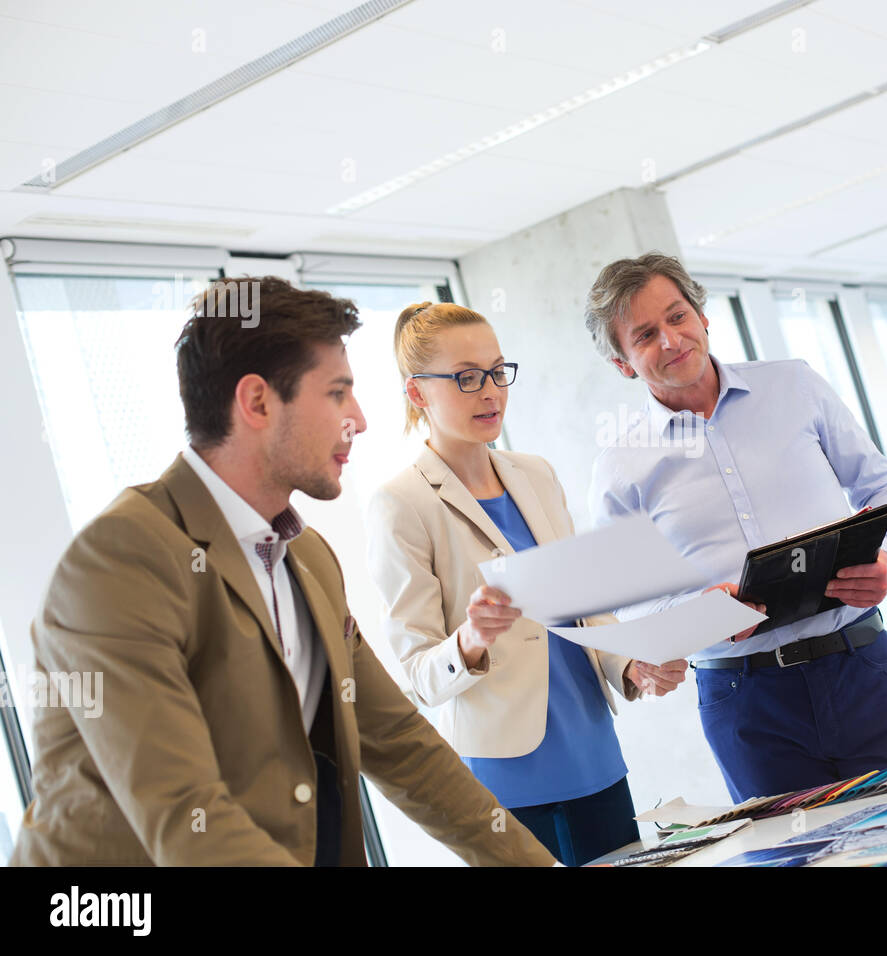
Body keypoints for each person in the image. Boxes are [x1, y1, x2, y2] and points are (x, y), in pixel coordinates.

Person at [9, 277, 553, 866]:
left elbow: (404, 749)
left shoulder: (308, 558)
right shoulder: (121, 562)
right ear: (258, 402)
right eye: (338, 394)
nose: (362, 420)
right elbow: (186, 817)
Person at [584, 252, 887, 803]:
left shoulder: (796, 385)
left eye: (678, 316)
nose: (671, 340)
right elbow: (627, 603)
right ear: (623, 364)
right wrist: (693, 617)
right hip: (745, 702)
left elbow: (883, 487)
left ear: (703, 317)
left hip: (864, 668)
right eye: (645, 334)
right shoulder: (619, 466)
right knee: (797, 859)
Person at [366, 302, 685, 866]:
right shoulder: (402, 504)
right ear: (418, 393)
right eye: (466, 378)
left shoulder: (535, 474)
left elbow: (586, 609)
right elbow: (417, 674)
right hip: (507, 775)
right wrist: (469, 639)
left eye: (496, 371)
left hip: (592, 749)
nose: (490, 392)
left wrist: (629, 664)